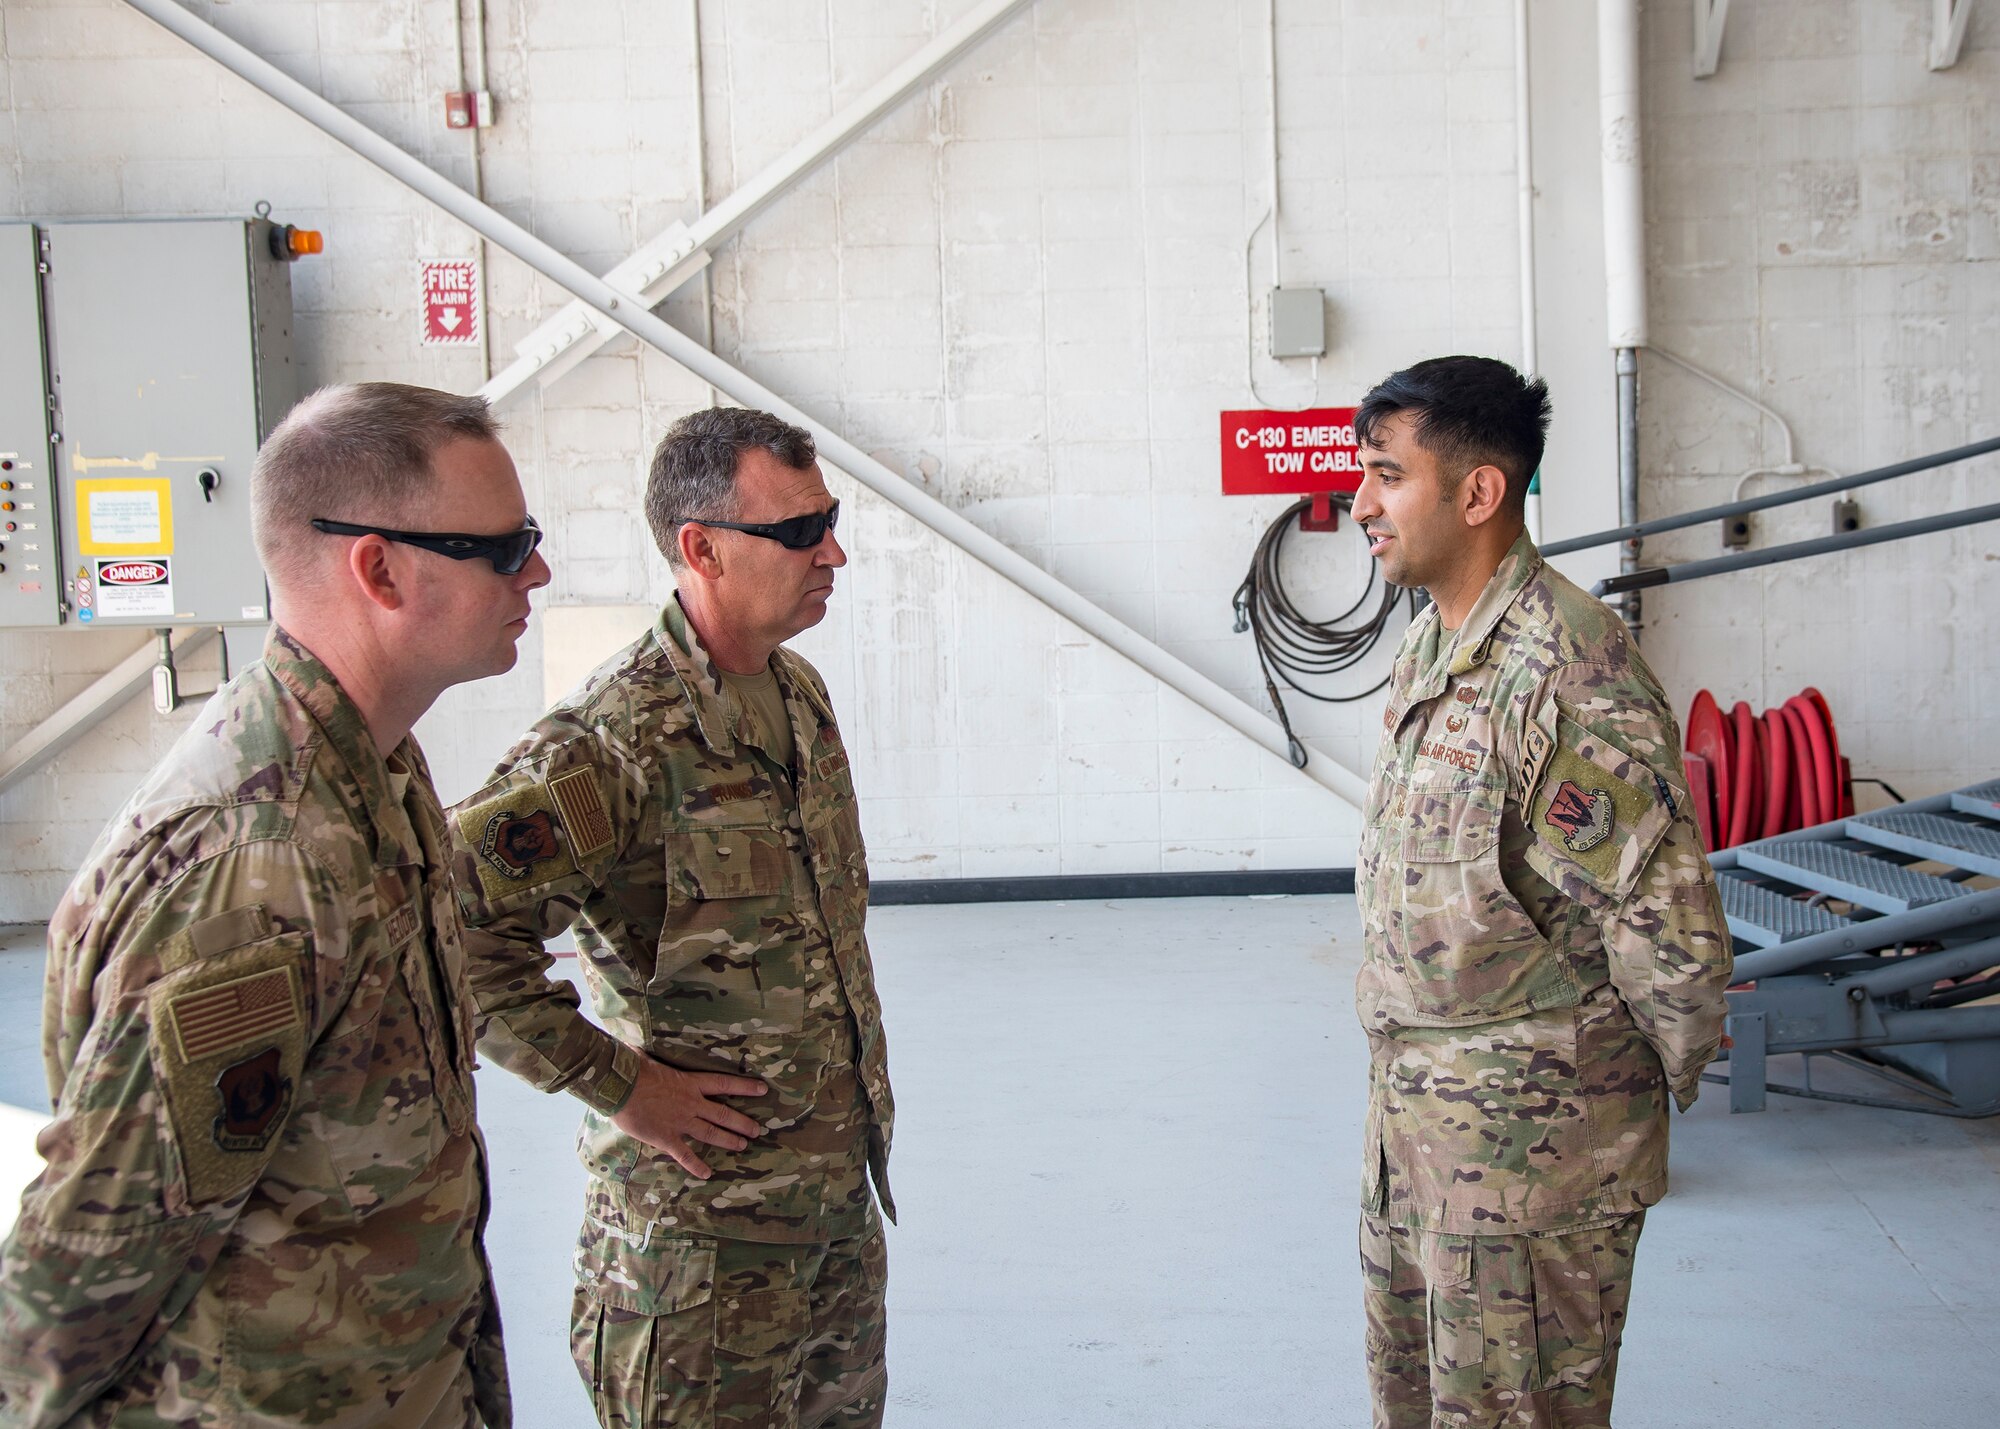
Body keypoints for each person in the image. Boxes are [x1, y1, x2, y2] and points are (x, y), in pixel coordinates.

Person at [0, 383, 549, 1427]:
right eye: (504, 547)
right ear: (377, 567)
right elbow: (79, 1282)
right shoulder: (253, 864)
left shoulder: (375, 772)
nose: (537, 571)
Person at [448, 406, 892, 1429]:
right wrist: (619, 1084)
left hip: (827, 1220)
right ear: (701, 549)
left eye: (828, 519)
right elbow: (453, 927)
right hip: (698, 1258)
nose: (832, 551)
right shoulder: (613, 741)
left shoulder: (798, 695)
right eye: (796, 531)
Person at [1347, 356, 1733, 1428]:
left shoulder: (1563, 670)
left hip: (1530, 1171)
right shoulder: (1434, 642)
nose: (1360, 503)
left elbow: (1675, 945)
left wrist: (1600, 1119)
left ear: (1478, 493)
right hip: (1416, 1143)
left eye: (1386, 476)